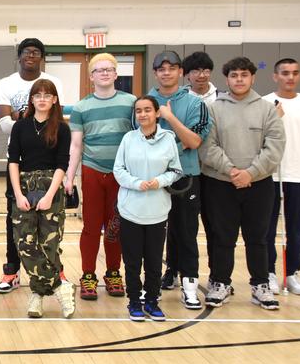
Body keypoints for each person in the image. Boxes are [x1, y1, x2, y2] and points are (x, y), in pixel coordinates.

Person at [200, 56, 285, 310]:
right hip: (220, 183)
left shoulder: (267, 109)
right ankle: (220, 283)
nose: (239, 79)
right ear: (226, 79)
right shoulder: (214, 109)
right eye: (234, 75)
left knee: (257, 237)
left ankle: (260, 285)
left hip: (258, 185)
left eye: (244, 75)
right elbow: (208, 146)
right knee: (222, 237)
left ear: (252, 77)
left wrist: (251, 172)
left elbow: (275, 146)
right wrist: (232, 170)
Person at [0, 37, 65, 294]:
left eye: (36, 52)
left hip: (48, 162)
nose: (31, 56)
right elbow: (3, 123)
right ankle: (11, 271)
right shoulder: (6, 83)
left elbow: (56, 120)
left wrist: (19, 115)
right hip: (19, 162)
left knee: (51, 222)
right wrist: (22, 119)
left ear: (42, 57)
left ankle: (57, 272)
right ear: (19, 56)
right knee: (15, 220)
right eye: (26, 52)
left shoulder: (54, 82)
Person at [64, 53, 135, 301]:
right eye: (99, 70)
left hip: (122, 175)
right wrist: (69, 177)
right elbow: (76, 145)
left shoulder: (131, 103)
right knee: (91, 227)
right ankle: (88, 276)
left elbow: (138, 140)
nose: (104, 73)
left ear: (116, 74)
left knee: (115, 227)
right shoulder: (81, 108)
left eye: (109, 69)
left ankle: (114, 273)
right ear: (91, 76)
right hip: (93, 172)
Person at [148, 51, 211, 310]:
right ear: (155, 73)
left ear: (180, 72)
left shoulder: (196, 104)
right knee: (152, 235)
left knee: (186, 233)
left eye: (172, 67)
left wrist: (170, 117)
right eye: (161, 68)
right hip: (153, 180)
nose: (166, 72)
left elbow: (194, 141)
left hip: (186, 177)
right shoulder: (145, 102)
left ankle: (190, 286)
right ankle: (152, 286)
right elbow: (141, 141)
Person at [8, 78, 75, 318]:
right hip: (24, 185)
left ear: (55, 99)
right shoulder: (21, 127)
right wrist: (18, 193)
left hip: (51, 187)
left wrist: (49, 195)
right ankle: (60, 286)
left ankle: (37, 296)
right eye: (38, 95)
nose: (43, 99)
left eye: (48, 95)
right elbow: (13, 161)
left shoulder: (62, 128)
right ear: (32, 99)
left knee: (49, 245)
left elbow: (62, 164)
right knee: (24, 244)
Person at [113, 96, 182, 322]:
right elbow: (119, 170)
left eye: (147, 110)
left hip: (157, 211)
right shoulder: (128, 138)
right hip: (130, 209)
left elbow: (175, 171)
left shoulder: (168, 139)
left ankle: (152, 301)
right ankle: (134, 301)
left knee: (153, 261)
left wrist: (159, 181)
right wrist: (136, 183)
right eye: (139, 111)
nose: (143, 115)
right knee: (132, 261)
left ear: (157, 113)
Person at [263, 58, 300, 295]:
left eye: (295, 73)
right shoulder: (265, 102)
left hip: (298, 175)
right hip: (270, 175)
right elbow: (261, 139)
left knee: (296, 227)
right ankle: (269, 273)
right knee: (266, 228)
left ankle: (292, 272)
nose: (290, 77)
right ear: (275, 76)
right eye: (285, 73)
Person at [181, 51, 220, 290]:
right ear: (187, 75)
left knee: (215, 226)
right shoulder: (179, 99)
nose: (201, 75)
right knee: (182, 227)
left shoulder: (222, 100)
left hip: (215, 173)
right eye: (195, 71)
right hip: (188, 171)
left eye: (205, 70)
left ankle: (217, 275)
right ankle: (174, 271)